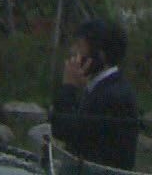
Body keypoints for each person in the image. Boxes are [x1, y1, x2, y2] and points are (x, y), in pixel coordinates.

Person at [51, 17, 140, 171]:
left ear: (101, 55)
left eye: (79, 46)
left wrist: (69, 87)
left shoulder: (112, 96)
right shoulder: (102, 88)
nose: (73, 52)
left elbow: (63, 129)